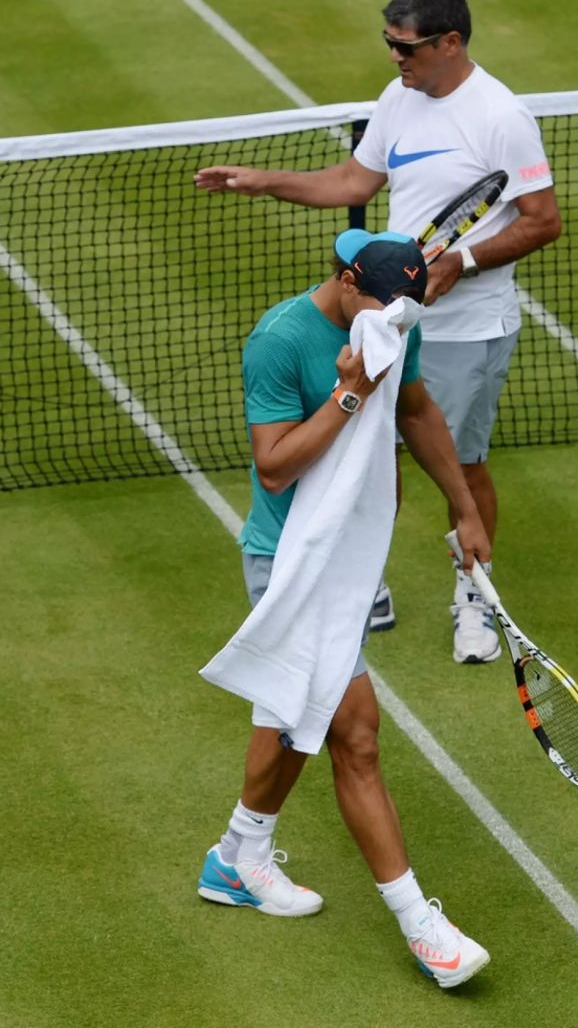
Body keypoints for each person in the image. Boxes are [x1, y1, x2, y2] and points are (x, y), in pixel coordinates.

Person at [195, 0, 561, 665]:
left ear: (449, 43)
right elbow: (353, 185)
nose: (395, 56)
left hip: (467, 326)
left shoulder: (502, 118)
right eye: (389, 43)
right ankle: (369, 579)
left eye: (406, 46)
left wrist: (463, 261)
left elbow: (544, 222)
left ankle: (475, 595)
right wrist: (263, 180)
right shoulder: (400, 97)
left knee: (463, 460)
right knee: (373, 455)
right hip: (393, 320)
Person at [197, 228, 492, 988]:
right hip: (290, 558)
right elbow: (273, 468)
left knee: (293, 712)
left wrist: (463, 510)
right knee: (354, 734)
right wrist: (351, 389)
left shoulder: (390, 321)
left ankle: (238, 856)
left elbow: (419, 410)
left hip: (351, 557)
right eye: (387, 306)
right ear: (347, 280)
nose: (396, 317)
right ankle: (422, 924)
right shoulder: (280, 338)